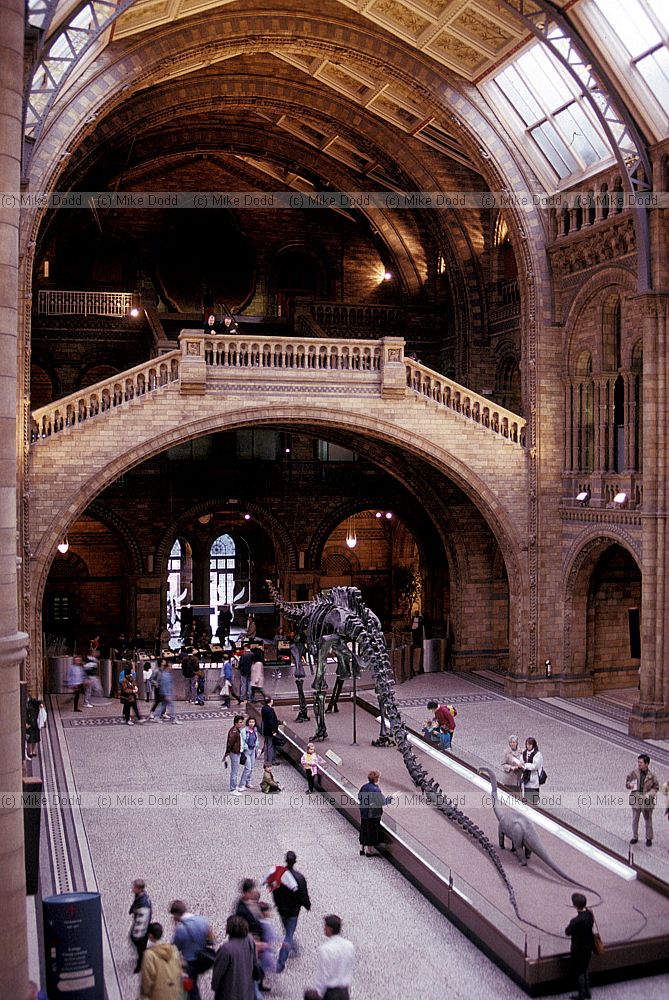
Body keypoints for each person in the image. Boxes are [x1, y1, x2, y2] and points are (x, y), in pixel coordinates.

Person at [264, 850, 311, 973]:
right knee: (289, 934)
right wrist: (307, 905)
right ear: (295, 861)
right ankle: (280, 962)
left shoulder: (277, 875)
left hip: (282, 909)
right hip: (293, 911)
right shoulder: (299, 878)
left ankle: (294, 948)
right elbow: (303, 894)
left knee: (288, 931)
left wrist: (278, 904)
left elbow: (273, 890)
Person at [170, 899, 214, 1000]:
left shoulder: (180, 930)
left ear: (176, 914)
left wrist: (175, 928)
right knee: (193, 984)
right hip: (202, 959)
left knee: (191, 988)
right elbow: (211, 940)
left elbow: (174, 948)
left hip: (189, 963)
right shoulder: (202, 921)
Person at [211, 914, 258, 1000]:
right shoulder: (250, 939)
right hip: (247, 990)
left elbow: (218, 972)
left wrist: (215, 986)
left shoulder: (226, 949)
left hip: (229, 993)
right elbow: (255, 960)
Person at [314, 914, 356, 1000]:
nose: (324, 928)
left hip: (330, 993)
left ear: (330, 929)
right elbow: (350, 966)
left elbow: (323, 974)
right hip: (344, 992)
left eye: (325, 926)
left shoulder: (326, 949)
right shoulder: (349, 945)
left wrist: (318, 993)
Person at [140, 922, 184, 999]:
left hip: (158, 994)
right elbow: (180, 969)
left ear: (150, 936)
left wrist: (145, 993)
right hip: (174, 993)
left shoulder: (149, 954)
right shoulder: (174, 949)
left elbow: (147, 978)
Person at [565, 893, 595, 1000]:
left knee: (579, 972)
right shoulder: (589, 915)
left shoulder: (576, 921)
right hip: (588, 947)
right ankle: (588, 992)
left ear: (575, 905)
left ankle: (581, 995)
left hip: (578, 950)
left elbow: (567, 932)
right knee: (585, 969)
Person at [626, 753, 659, 846]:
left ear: (647, 764)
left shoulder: (652, 776)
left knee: (648, 820)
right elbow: (627, 782)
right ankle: (635, 836)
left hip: (646, 801)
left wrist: (649, 794)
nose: (639, 764)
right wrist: (630, 785)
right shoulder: (634, 773)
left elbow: (656, 787)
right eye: (638, 762)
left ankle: (649, 838)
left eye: (641, 762)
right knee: (635, 820)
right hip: (636, 799)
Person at [357, 770, 394, 856]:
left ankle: (361, 848)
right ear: (376, 779)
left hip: (364, 812)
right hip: (373, 815)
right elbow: (381, 802)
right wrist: (389, 799)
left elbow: (359, 796)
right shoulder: (376, 790)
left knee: (364, 829)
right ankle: (369, 851)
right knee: (371, 831)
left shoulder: (364, 787)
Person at [128, 878, 152, 973]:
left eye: (134, 887)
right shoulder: (141, 897)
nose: (132, 889)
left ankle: (141, 964)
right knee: (140, 946)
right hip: (142, 925)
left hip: (142, 929)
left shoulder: (143, 904)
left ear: (139, 889)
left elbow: (142, 920)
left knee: (139, 946)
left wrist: (136, 935)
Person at [224, 714, 245, 794]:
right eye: (240, 722)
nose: (241, 724)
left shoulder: (236, 730)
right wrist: (227, 752)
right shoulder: (234, 731)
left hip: (237, 752)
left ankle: (234, 786)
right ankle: (233, 789)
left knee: (235, 770)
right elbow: (230, 743)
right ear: (235, 723)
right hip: (235, 752)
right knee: (234, 771)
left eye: (242, 722)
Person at [521, 736, 544, 805]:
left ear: (533, 745)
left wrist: (525, 765)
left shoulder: (537, 754)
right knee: (526, 797)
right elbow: (521, 761)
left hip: (534, 779)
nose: (528, 746)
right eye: (527, 744)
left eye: (530, 744)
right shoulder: (524, 753)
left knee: (533, 799)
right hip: (526, 779)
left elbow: (535, 766)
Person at [239, 716, 259, 789]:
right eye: (250, 722)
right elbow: (242, 741)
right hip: (246, 751)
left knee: (252, 768)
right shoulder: (244, 731)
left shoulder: (255, 730)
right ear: (248, 722)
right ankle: (242, 784)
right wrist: (245, 747)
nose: (252, 724)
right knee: (248, 768)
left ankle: (248, 782)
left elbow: (256, 739)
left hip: (253, 750)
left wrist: (256, 745)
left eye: (253, 722)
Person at [261, 696, 280, 765]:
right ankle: (271, 760)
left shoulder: (263, 708)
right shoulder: (270, 710)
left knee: (266, 745)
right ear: (271, 701)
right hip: (270, 731)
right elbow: (271, 721)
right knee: (271, 746)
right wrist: (273, 730)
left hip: (265, 730)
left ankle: (266, 759)